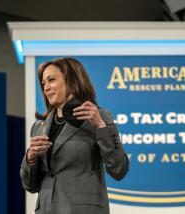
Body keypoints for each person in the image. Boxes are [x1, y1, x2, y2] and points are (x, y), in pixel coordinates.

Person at [20, 57, 130, 214]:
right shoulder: (38, 127)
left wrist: (100, 126)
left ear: (72, 80)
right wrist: (30, 158)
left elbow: (119, 169)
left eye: (51, 80)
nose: (46, 88)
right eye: (43, 83)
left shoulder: (99, 117)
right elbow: (30, 186)